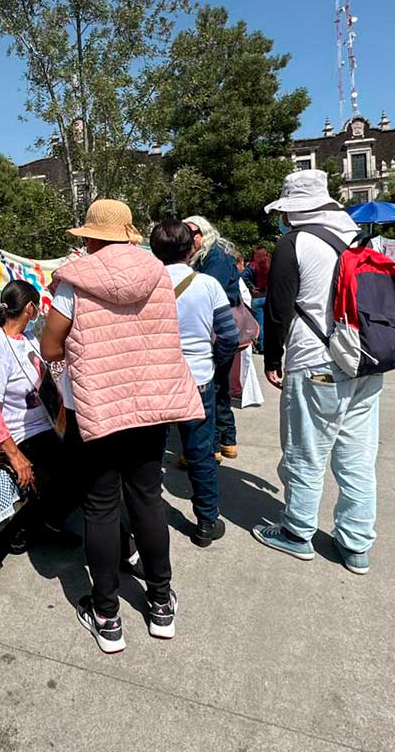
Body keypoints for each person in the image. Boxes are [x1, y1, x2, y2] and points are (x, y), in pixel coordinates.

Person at [41, 199, 203, 653]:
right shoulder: (158, 276)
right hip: (150, 404)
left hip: (97, 408)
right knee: (147, 500)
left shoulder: (74, 282)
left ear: (93, 237)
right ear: (128, 235)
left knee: (100, 507)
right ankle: (160, 604)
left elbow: (51, 347)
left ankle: (108, 615)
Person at [253, 169, 383, 576]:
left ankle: (297, 532)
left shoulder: (295, 244)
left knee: (306, 451)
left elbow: (277, 311)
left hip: (316, 361)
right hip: (365, 358)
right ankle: (356, 543)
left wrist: (272, 358)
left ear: (293, 210)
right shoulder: (356, 236)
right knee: (357, 456)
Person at [149, 219, 239, 548]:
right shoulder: (207, 285)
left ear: (154, 250)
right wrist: (212, 360)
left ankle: (150, 516)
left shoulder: (145, 286)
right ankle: (205, 523)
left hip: (157, 380)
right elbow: (228, 336)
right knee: (201, 454)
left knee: (151, 454)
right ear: (191, 248)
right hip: (198, 379)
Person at [0, 280, 79, 554]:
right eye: (38, 307)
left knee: (84, 465)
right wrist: (15, 455)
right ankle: (35, 524)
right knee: (62, 474)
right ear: (30, 308)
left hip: (46, 423)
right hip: (20, 432)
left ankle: (51, 521)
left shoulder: (28, 337)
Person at [183, 215, 242, 460]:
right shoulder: (212, 254)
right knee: (219, 387)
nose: (186, 238)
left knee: (212, 388)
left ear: (202, 232)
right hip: (220, 327)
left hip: (217, 328)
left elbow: (209, 293)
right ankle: (226, 441)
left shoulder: (213, 256)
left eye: (190, 232)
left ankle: (213, 447)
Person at [241, 247, 270, 354]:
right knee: (269, 323)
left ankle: (261, 346)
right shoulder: (270, 265)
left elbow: (243, 276)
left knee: (260, 324)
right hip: (269, 296)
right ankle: (270, 345)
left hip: (257, 298)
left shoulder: (252, 266)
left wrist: (251, 287)